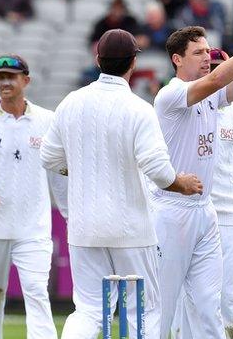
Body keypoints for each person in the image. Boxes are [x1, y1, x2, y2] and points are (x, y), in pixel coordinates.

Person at [40, 29, 203, 339]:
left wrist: (79, 169)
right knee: (144, 310)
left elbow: (49, 158)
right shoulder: (138, 108)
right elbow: (157, 169)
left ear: (98, 60)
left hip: (85, 227)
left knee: (88, 309)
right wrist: (180, 183)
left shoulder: (71, 103)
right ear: (132, 64)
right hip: (131, 229)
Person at [151, 0, 233, 338]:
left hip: (206, 213)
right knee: (165, 306)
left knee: (210, 306)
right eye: (198, 52)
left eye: (208, 50)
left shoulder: (213, 96)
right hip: (172, 211)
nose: (206, 56)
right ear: (177, 59)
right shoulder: (171, 95)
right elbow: (220, 77)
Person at [0, 54, 67, 339]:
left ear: (26, 80)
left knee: (37, 296)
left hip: (33, 227)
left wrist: (69, 214)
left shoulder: (48, 120)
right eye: (0, 77)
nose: (5, 82)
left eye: (11, 76)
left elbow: (58, 171)